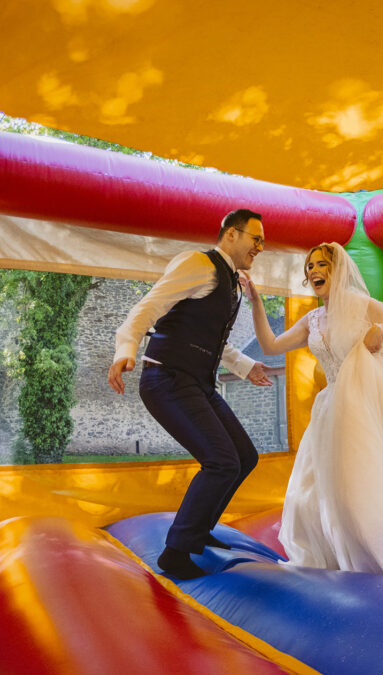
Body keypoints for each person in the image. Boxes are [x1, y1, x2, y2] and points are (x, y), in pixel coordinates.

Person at [242, 242, 383, 581]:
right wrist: (256, 303)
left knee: (367, 489)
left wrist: (382, 330)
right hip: (332, 409)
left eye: (322, 264)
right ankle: (340, 558)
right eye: (310, 267)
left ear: (339, 270)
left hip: (368, 407)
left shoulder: (365, 306)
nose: (314, 271)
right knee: (317, 494)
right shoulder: (312, 320)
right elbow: (270, 345)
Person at [108, 208, 273, 580]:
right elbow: (149, 306)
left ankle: (198, 530)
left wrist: (247, 366)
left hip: (197, 382)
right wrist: (125, 349)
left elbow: (211, 340)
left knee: (244, 457)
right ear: (231, 234)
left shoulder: (232, 283)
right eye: (256, 239)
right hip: (167, 378)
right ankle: (176, 552)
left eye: (263, 241)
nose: (260, 247)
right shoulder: (198, 264)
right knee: (222, 461)